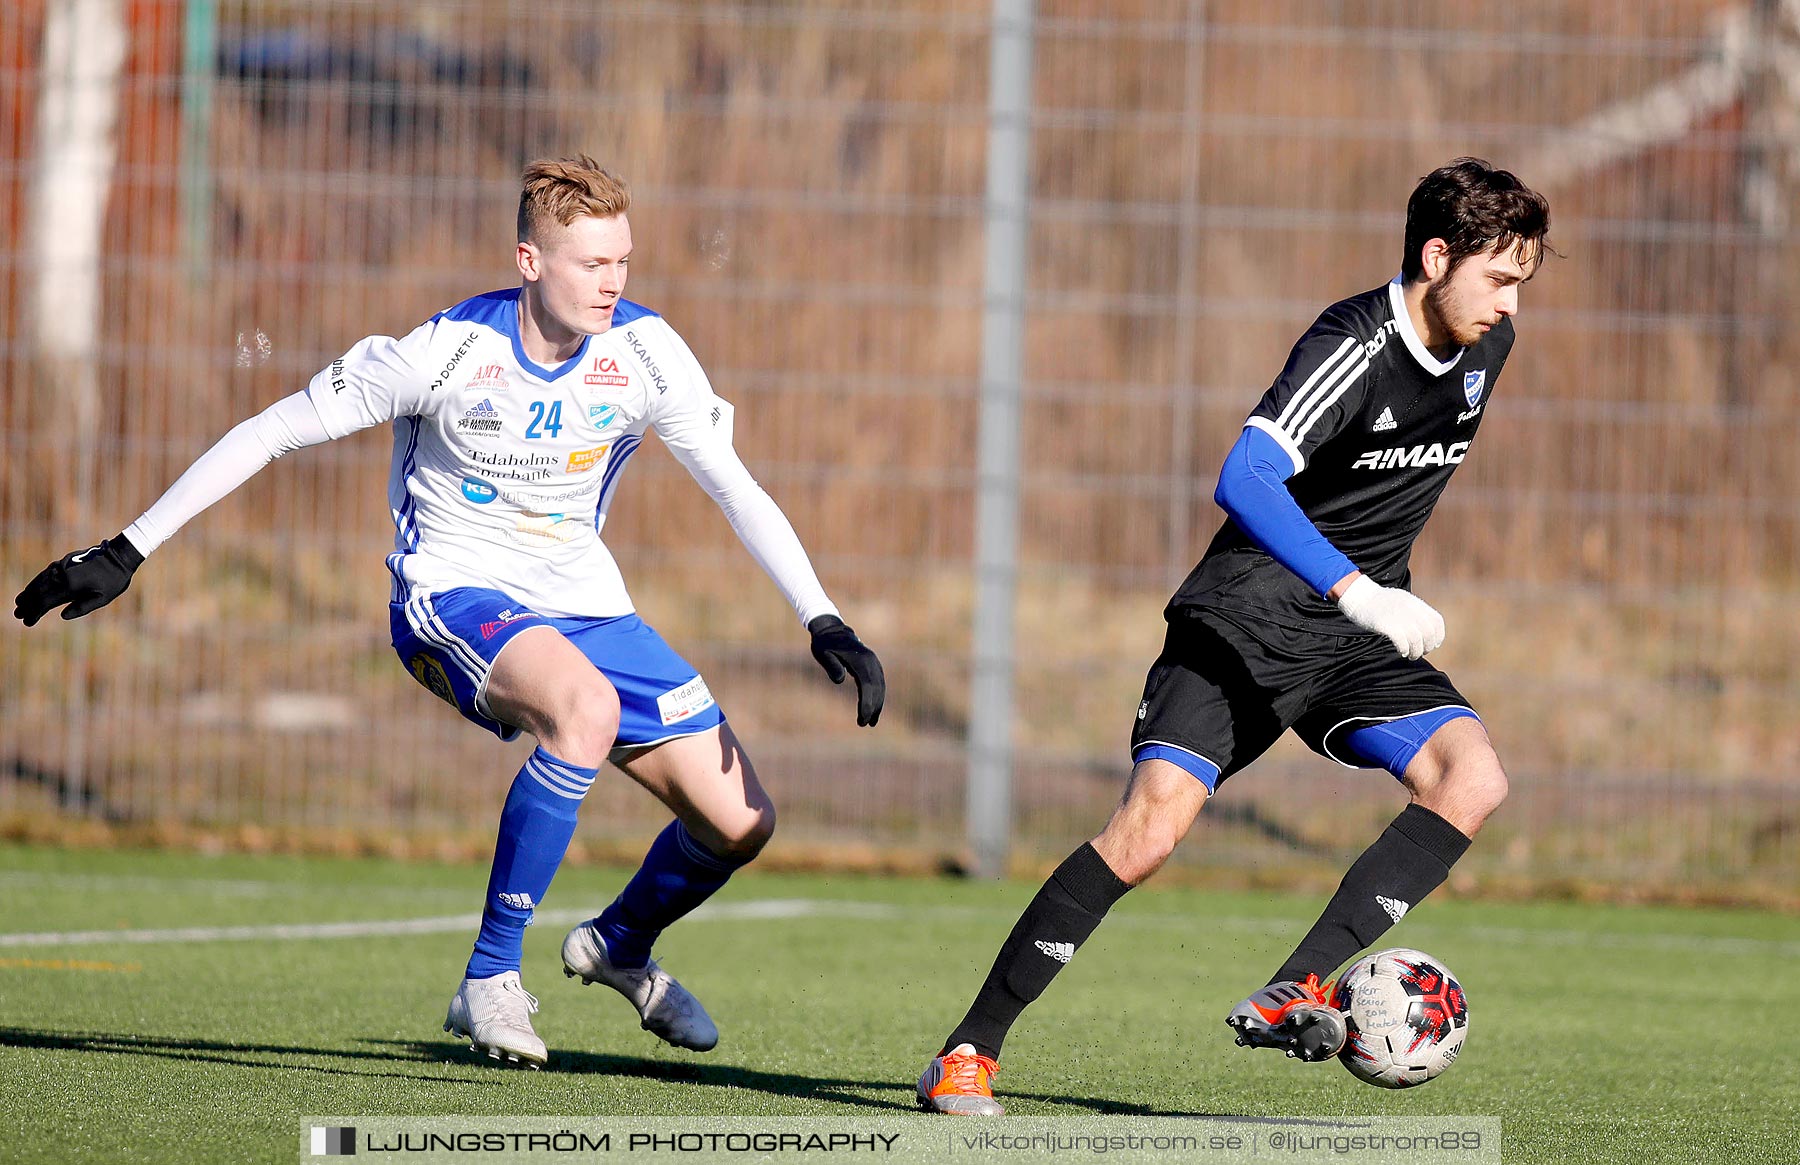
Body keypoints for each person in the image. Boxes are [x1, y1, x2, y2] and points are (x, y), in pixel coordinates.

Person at [14, 155, 885, 1070]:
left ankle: (620, 944)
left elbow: (734, 488)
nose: (614, 282)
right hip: (451, 597)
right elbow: (273, 429)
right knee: (581, 710)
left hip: (587, 606)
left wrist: (822, 617)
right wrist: (127, 546)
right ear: (530, 260)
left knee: (741, 823)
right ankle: (489, 978)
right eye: (592, 263)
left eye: (623, 260)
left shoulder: (647, 352)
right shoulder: (446, 352)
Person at [915, 158, 1551, 1114]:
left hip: (1350, 637)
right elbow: (1245, 477)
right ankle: (968, 1050)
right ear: (1435, 256)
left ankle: (1299, 983)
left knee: (1473, 776)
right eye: (1499, 278)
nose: (1509, 305)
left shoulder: (1485, 349)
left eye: (1522, 284)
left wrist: (1366, 601)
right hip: (1249, 617)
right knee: (1148, 834)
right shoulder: (1353, 343)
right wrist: (1357, 590)